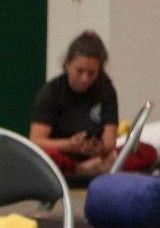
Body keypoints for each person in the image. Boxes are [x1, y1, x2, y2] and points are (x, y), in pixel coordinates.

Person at [29, 31, 153, 175]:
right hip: (62, 157)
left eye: (91, 73)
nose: (84, 79)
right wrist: (70, 145)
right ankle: (79, 169)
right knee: (46, 156)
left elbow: (109, 143)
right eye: (79, 71)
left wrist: (98, 149)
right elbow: (36, 140)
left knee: (145, 152)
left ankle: (90, 168)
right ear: (67, 64)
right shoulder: (51, 91)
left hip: (97, 159)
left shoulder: (106, 90)